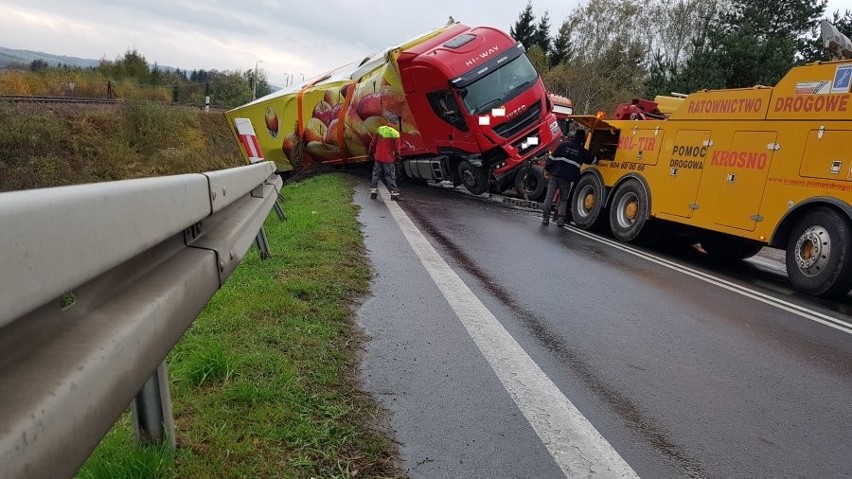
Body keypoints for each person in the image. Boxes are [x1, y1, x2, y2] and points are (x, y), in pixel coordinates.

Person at [542, 128, 596, 226]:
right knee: (563, 199)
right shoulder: (581, 151)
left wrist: (547, 169)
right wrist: (599, 153)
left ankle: (545, 219)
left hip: (555, 175)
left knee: (549, 197)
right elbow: (592, 160)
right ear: (583, 139)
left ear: (574, 136)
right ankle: (561, 221)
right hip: (566, 179)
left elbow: (551, 158)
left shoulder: (563, 145)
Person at [369, 115, 402, 201]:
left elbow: (372, 143)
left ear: (388, 120)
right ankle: (394, 194)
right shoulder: (395, 133)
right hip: (388, 159)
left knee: (376, 175)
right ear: (396, 123)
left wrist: (370, 152)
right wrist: (398, 157)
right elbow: (397, 150)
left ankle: (373, 192)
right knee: (390, 176)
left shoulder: (379, 129)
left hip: (378, 157)